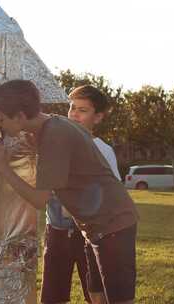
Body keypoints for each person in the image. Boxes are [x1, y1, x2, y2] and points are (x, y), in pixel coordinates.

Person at [0, 80, 138, 304]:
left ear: (19, 116)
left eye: (2, 119)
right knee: (96, 296)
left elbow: (40, 199)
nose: (0, 125)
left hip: (113, 226)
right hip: (96, 229)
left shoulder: (55, 135)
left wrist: (3, 167)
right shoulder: (53, 126)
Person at [41, 85, 122, 304]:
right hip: (56, 232)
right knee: (51, 297)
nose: (74, 114)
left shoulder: (102, 150)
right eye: (72, 108)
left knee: (95, 295)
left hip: (88, 235)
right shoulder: (54, 144)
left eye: (83, 110)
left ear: (98, 117)